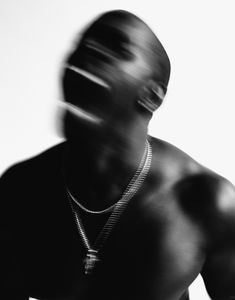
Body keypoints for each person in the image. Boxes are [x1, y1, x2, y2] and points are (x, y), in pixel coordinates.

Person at [1, 9, 235, 300]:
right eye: (80, 45)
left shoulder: (205, 204)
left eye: (114, 48)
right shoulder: (18, 192)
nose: (85, 53)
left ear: (151, 96)